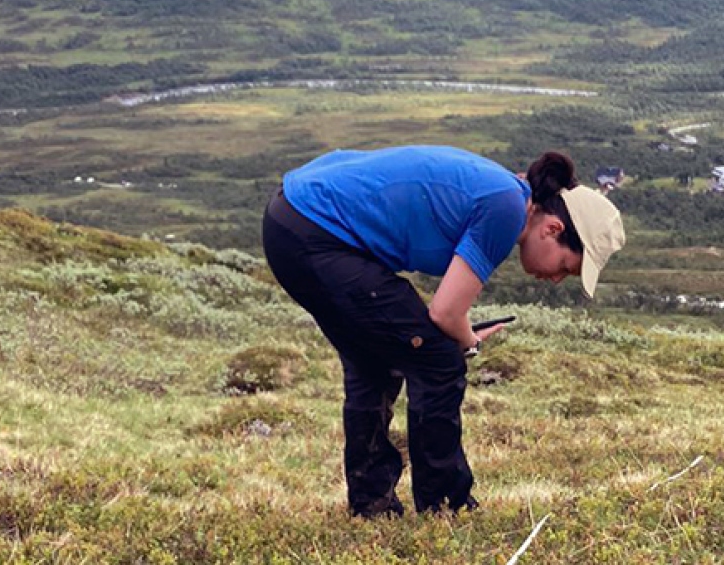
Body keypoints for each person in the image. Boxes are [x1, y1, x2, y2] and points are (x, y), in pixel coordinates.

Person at [261, 146, 625, 517]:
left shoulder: (508, 192)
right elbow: (445, 313)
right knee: (438, 362)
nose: (556, 280)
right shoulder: (507, 211)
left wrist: (459, 333)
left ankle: (373, 505)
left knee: (375, 361)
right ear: (553, 229)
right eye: (566, 266)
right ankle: (446, 508)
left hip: (290, 221)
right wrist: (466, 343)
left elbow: (444, 314)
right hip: (316, 235)